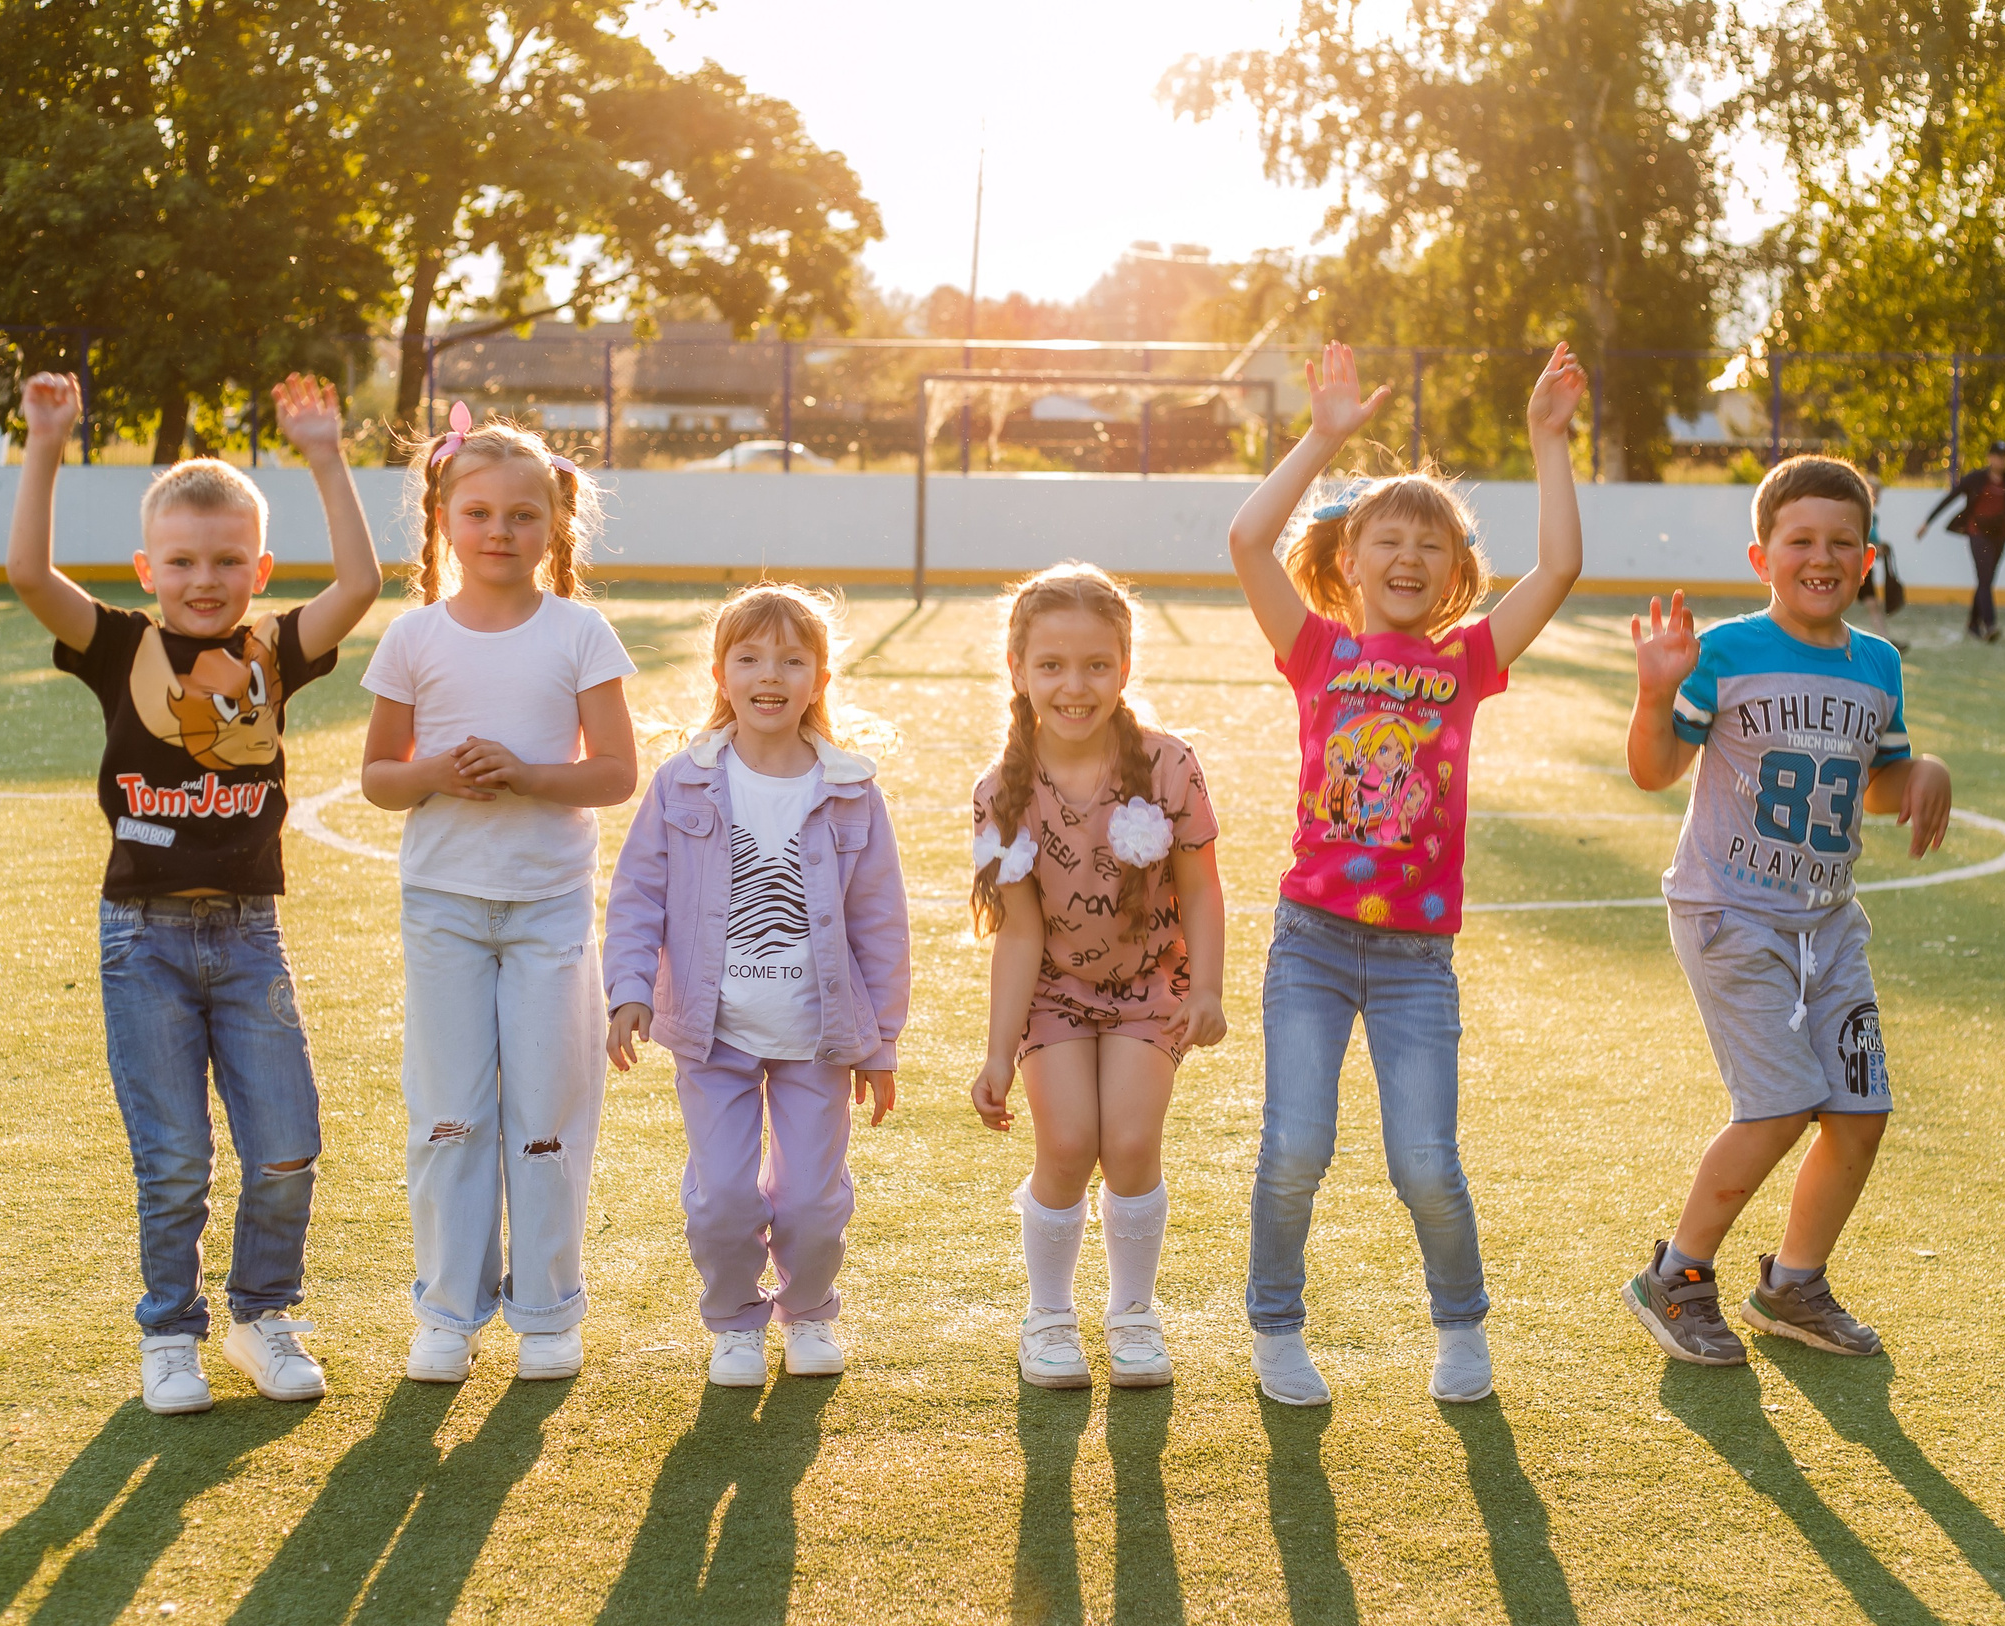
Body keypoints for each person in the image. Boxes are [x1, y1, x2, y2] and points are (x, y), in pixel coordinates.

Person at [3, 369, 382, 1416]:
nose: (203, 580)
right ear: (147, 569)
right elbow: (29, 573)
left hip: (250, 936)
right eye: (180, 561)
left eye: (226, 561)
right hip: (144, 940)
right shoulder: (121, 645)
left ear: (260, 568)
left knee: (286, 1147)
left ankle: (263, 1315)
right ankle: (171, 1334)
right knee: (173, 1160)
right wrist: (46, 443)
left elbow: (359, 585)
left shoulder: (272, 650)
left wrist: (324, 455)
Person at [1223, 340, 1587, 1408]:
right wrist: (1321, 436)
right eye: (1387, 538)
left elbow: (1558, 570)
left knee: (1426, 1162)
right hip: (1312, 943)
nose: (1409, 556)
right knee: (1295, 1148)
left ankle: (1460, 1326)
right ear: (1348, 560)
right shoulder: (1316, 652)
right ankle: (1276, 1327)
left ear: (1456, 574)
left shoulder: (1465, 662)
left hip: (1417, 960)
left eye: (1431, 544)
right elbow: (1246, 539)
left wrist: (1547, 442)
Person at [1620, 454, 1954, 1366]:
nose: (1822, 556)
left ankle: (1793, 1285)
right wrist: (1654, 692)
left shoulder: (1878, 662)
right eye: (1801, 539)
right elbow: (1654, 770)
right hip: (1730, 914)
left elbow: (1879, 784)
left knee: (1860, 1111)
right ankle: (1675, 1275)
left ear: (1868, 559)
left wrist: (1922, 772)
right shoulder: (1726, 652)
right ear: (1762, 557)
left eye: (1843, 541)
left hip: (1830, 922)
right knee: (1777, 1107)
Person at [361, 404, 638, 1385]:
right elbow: (380, 778)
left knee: (549, 1113)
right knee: (449, 1113)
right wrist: (436, 770)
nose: (499, 531)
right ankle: (447, 1310)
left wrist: (526, 774)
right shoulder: (412, 638)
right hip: (442, 906)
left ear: (554, 522)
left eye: (522, 515)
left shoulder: (580, 632)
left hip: (548, 909)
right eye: (478, 513)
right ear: (444, 518)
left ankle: (548, 1309)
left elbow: (615, 773)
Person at [606, 585, 911, 1386]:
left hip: (819, 1038)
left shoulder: (851, 790)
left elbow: (880, 921)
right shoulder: (682, 782)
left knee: (811, 1202)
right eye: (749, 657)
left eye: (791, 660)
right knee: (722, 1200)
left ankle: (807, 1310)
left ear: (819, 680)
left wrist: (880, 1040)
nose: (769, 674)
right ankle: (736, 1320)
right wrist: (629, 987)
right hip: (714, 1035)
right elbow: (637, 894)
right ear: (720, 673)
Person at [970, 564, 1228, 1390]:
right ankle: (1047, 1316)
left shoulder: (1169, 765)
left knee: (1130, 1142)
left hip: (1150, 987)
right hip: (1055, 993)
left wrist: (1209, 987)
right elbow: (1018, 933)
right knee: (1068, 1141)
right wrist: (997, 1054)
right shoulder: (1000, 793)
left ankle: (1133, 1313)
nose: (1074, 686)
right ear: (1017, 668)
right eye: (1051, 665)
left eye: (1095, 665)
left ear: (1125, 667)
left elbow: (1200, 886)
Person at [1915, 439, 2005, 641]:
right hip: (1978, 534)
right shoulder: (1976, 479)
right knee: (1985, 578)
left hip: (2000, 537)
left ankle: (1972, 624)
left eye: (2004, 457)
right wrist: (1928, 522)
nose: (2001, 461)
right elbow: (1951, 497)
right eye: (1998, 456)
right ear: (1990, 458)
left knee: (1985, 580)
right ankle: (1990, 624)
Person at [1858, 477, 1906, 653]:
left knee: (1872, 603)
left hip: (1864, 565)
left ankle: (1885, 639)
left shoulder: (1872, 516)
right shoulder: (1860, 514)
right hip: (1857, 565)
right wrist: (1875, 547)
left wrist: (1879, 547)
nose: (1878, 496)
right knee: (1872, 604)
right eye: (1875, 492)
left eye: (1879, 493)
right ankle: (1885, 640)